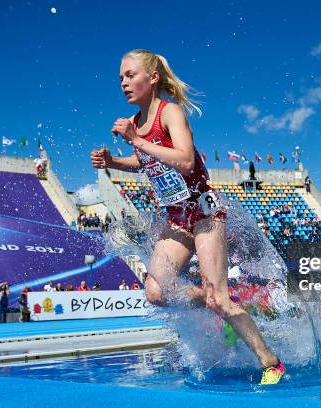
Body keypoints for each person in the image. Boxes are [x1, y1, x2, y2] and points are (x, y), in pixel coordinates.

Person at [90, 49, 285, 385]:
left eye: (130, 75)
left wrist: (135, 140)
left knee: (217, 298)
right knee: (155, 291)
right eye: (120, 77)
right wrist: (115, 162)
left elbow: (184, 160)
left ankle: (271, 363)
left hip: (205, 213)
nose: (123, 82)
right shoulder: (136, 124)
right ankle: (216, 299)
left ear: (152, 78)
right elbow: (146, 161)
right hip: (177, 218)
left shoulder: (171, 113)